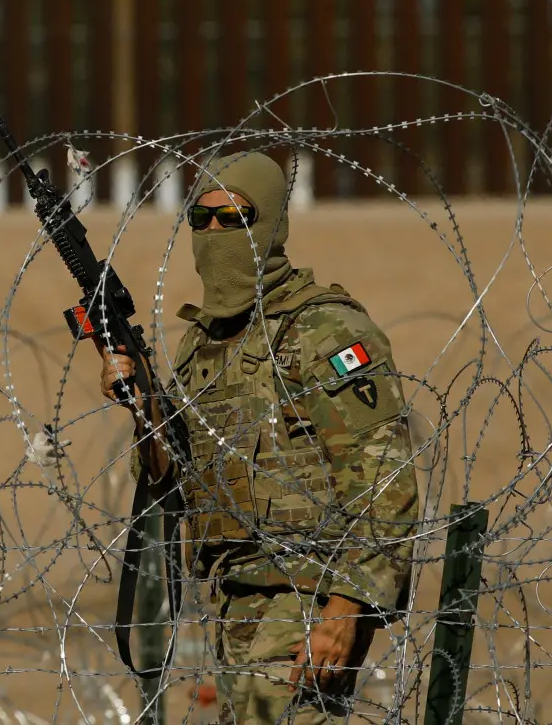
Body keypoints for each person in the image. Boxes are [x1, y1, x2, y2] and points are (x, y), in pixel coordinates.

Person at [99, 150, 419, 723]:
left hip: (305, 601)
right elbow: (170, 483)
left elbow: (384, 479)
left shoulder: (321, 329)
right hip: (231, 603)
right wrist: (141, 403)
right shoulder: (204, 349)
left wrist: (347, 609)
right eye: (203, 219)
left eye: (235, 218)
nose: (216, 232)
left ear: (269, 223)